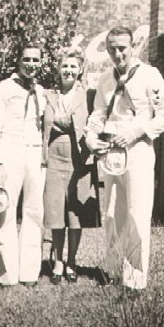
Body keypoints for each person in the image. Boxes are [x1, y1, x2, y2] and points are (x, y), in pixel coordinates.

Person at [85, 26, 164, 290]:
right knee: (111, 213)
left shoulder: (149, 75)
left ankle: (135, 279)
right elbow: (98, 115)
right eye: (112, 48)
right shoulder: (105, 79)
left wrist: (135, 133)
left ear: (133, 47)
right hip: (111, 152)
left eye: (122, 47)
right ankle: (113, 272)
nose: (117, 53)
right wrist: (91, 139)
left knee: (137, 212)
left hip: (138, 151)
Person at [0, 44, 46, 288]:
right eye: (26, 59)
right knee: (7, 211)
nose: (31, 64)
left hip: (34, 154)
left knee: (34, 212)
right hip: (10, 153)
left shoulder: (41, 91)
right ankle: (7, 274)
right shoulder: (2, 89)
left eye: (35, 60)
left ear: (40, 63)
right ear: (18, 61)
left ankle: (30, 273)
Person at [42, 46, 100, 285]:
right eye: (65, 65)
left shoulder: (88, 95)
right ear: (59, 68)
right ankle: (57, 262)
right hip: (54, 160)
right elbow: (41, 123)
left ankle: (72, 262)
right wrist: (56, 123)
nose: (68, 70)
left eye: (73, 66)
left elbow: (95, 121)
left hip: (79, 161)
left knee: (75, 214)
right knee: (56, 213)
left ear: (80, 69)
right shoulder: (48, 95)